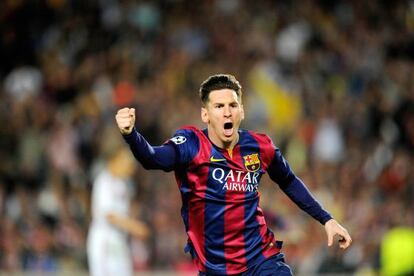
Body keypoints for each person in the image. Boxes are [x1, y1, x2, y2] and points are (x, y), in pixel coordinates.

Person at [115, 74, 352, 275]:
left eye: (233, 105)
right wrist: (131, 134)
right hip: (216, 268)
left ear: (242, 111)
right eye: (219, 106)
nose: (227, 112)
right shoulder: (191, 144)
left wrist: (326, 219)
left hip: (261, 259)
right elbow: (152, 158)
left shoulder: (260, 147)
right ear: (205, 115)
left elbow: (288, 180)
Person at [87, 141, 149, 276]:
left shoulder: (123, 184)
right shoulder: (104, 181)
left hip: (119, 239)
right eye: (126, 162)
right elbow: (109, 215)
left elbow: (125, 212)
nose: (131, 167)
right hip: (104, 240)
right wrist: (134, 226)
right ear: (114, 160)